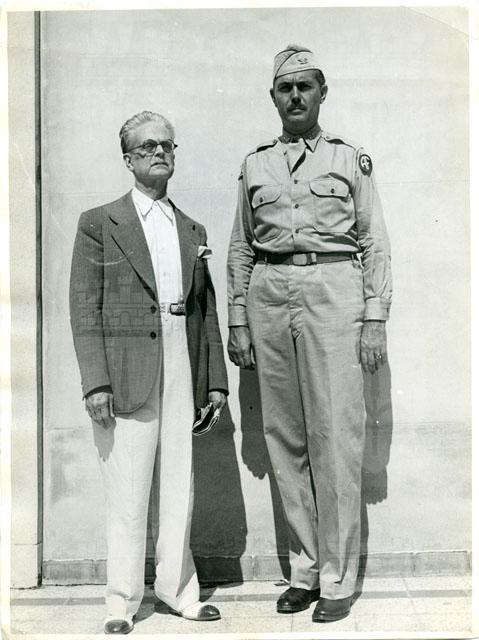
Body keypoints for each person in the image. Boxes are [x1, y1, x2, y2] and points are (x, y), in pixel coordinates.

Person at [227, 45, 392, 623]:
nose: (295, 96)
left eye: (305, 86)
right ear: (273, 97)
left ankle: (338, 578)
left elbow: (373, 241)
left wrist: (374, 316)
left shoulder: (349, 159)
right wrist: (238, 317)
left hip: (333, 291)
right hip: (269, 294)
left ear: (323, 93)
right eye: (285, 88)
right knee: (285, 435)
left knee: (335, 437)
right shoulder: (255, 165)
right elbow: (241, 246)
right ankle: (305, 569)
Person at [70, 111, 228, 634]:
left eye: (167, 145)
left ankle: (179, 591)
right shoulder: (99, 223)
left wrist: (215, 381)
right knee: (128, 488)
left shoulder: (191, 228)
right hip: (125, 369)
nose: (160, 153)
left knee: (180, 482)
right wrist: (96, 382)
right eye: (147, 146)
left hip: (181, 356)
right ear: (128, 159)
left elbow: (205, 310)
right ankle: (121, 601)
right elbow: (84, 308)